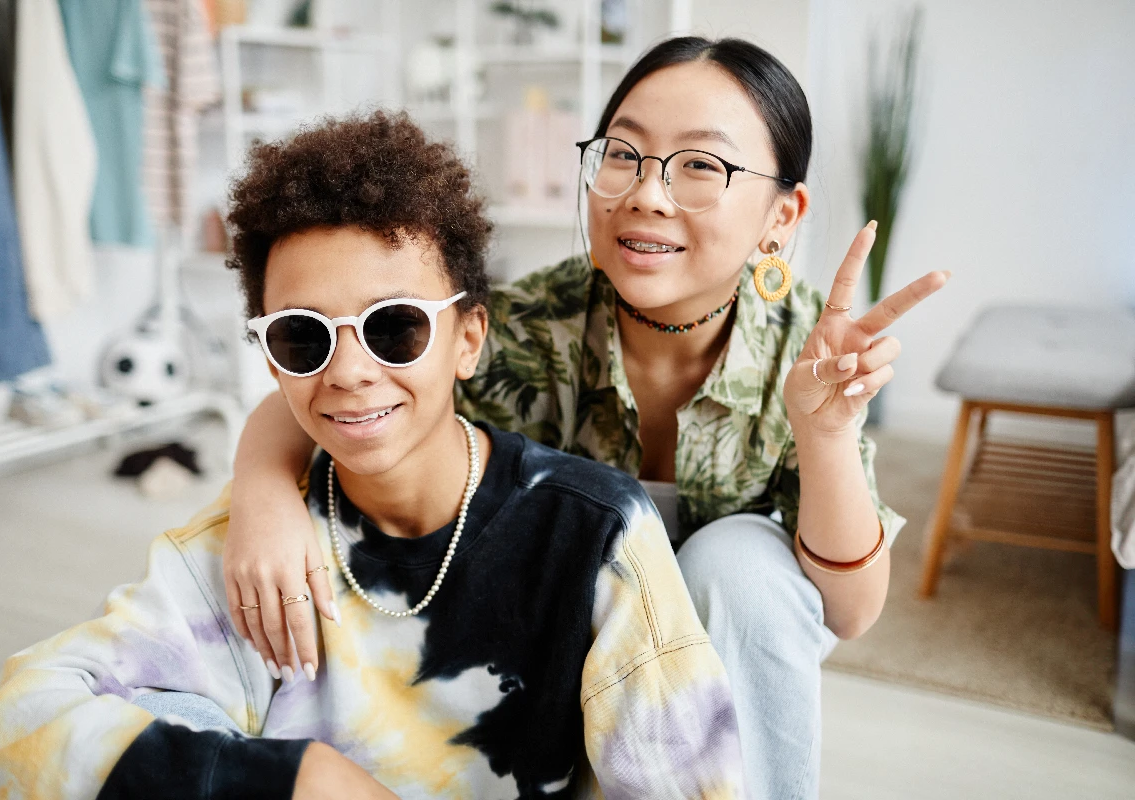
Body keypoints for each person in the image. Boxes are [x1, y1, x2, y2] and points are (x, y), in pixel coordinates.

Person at [223, 36, 950, 800]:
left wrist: (826, 432)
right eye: (623, 155)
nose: (648, 194)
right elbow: (347, 381)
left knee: (739, 564)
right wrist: (262, 497)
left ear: (781, 215)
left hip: (729, 650)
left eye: (702, 165)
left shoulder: (808, 354)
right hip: (558, 651)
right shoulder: (527, 325)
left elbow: (852, 610)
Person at [0, 113, 743, 800]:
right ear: (270, 358)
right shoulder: (242, 554)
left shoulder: (594, 537)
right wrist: (301, 781)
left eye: (395, 325)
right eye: (304, 335)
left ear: (469, 339)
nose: (350, 372)